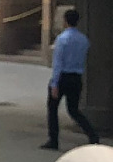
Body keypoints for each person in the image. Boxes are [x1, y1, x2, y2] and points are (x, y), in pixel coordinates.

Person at [42, 9, 98, 150]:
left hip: (62, 77)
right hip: (76, 77)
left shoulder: (62, 39)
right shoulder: (83, 40)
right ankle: (93, 135)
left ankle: (53, 139)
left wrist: (55, 83)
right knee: (73, 110)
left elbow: (58, 63)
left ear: (65, 21)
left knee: (53, 108)